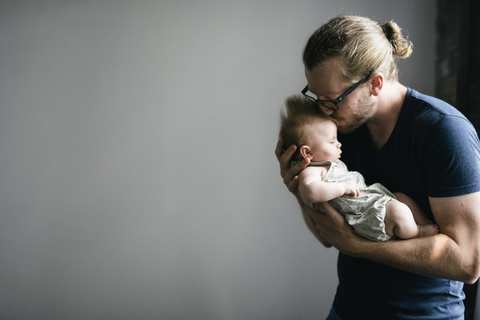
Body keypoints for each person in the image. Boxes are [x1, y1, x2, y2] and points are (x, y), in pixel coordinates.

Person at [275, 15, 480, 319]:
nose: (322, 110)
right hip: (347, 309)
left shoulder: (443, 131)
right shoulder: (340, 130)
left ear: (375, 84)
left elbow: (468, 262)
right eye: (316, 97)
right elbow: (328, 235)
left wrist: (359, 247)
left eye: (332, 100)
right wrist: (300, 186)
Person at [279, 95, 439, 242]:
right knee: (398, 211)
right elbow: (310, 191)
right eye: (332, 141)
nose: (338, 144)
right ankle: (417, 232)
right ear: (307, 152)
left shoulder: (326, 162)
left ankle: (425, 225)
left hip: (367, 197)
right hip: (359, 211)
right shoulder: (311, 169)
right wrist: (342, 187)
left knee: (401, 198)